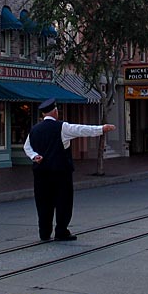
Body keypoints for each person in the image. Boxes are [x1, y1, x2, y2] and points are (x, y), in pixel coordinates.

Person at [23, 98, 116, 242]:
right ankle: (61, 230)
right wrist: (101, 129)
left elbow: (27, 147)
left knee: (43, 202)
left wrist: (35, 156)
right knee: (63, 201)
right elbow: (81, 129)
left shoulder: (35, 129)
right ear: (55, 112)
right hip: (60, 171)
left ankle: (44, 232)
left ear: (43, 115)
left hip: (41, 172)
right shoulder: (62, 127)